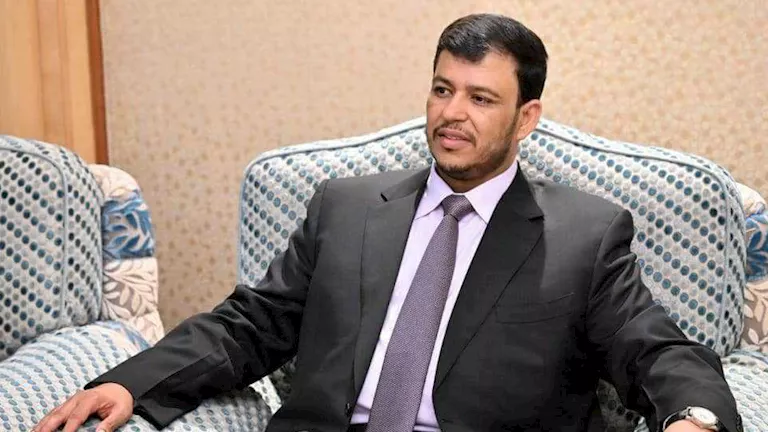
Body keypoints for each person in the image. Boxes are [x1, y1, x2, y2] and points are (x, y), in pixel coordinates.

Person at [35, 13, 741, 432]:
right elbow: (250, 325)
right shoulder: (344, 209)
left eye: (481, 98)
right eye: (442, 89)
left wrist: (695, 418)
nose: (451, 113)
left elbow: (654, 349)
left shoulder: (584, 235)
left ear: (526, 118)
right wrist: (132, 383)